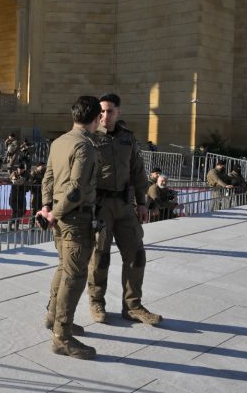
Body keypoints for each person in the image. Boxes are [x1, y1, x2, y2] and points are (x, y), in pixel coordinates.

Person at [88, 93, 161, 327]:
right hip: (100, 207)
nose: (105, 116)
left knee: (136, 253)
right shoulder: (89, 138)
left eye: (110, 111)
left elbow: (138, 172)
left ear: (118, 112)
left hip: (124, 205)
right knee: (99, 256)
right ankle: (96, 302)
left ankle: (132, 305)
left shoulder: (127, 138)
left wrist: (142, 202)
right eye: (101, 112)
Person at [39, 95, 101, 360]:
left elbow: (48, 178)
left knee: (63, 267)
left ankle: (53, 317)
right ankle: (62, 337)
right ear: (97, 118)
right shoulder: (85, 147)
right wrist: (55, 213)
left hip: (59, 216)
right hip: (75, 219)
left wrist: (46, 207)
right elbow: (76, 189)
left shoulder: (60, 141)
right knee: (74, 277)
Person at [8, 162, 29, 230]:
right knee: (15, 210)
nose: (20, 171)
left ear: (23, 170)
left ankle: (14, 221)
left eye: (21, 170)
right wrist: (16, 181)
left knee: (23, 210)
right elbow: (12, 179)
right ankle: (13, 224)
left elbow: (30, 180)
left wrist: (23, 182)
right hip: (14, 194)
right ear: (17, 169)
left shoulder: (26, 174)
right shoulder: (14, 173)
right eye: (19, 169)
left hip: (22, 194)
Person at [28, 162, 46, 226]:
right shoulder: (33, 173)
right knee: (33, 208)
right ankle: (31, 223)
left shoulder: (44, 172)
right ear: (38, 166)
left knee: (40, 207)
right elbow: (30, 182)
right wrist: (32, 189)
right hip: (35, 192)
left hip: (41, 192)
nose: (43, 167)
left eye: (44, 166)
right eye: (42, 166)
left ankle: (39, 223)